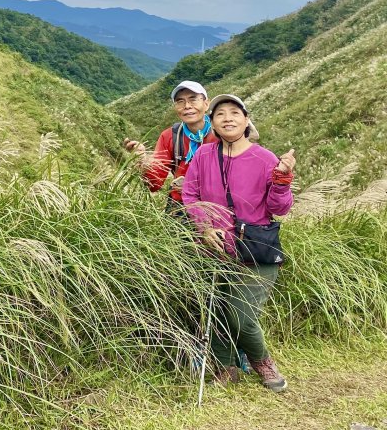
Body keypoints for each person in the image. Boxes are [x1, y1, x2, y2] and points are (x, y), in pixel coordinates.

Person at [182, 93, 295, 392]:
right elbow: (190, 195)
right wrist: (205, 227)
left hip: (256, 249)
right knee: (217, 310)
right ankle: (226, 366)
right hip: (214, 248)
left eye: (234, 113)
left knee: (240, 316)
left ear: (246, 121)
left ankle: (262, 361)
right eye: (220, 114)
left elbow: (280, 208)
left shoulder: (265, 158)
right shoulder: (203, 155)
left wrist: (282, 180)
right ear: (213, 123)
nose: (227, 118)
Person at [123, 80, 217, 210]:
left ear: (206, 104)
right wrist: (142, 159)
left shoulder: (221, 134)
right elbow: (154, 184)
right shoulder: (170, 137)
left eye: (193, 99)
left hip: (217, 206)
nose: (187, 106)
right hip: (180, 207)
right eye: (180, 101)